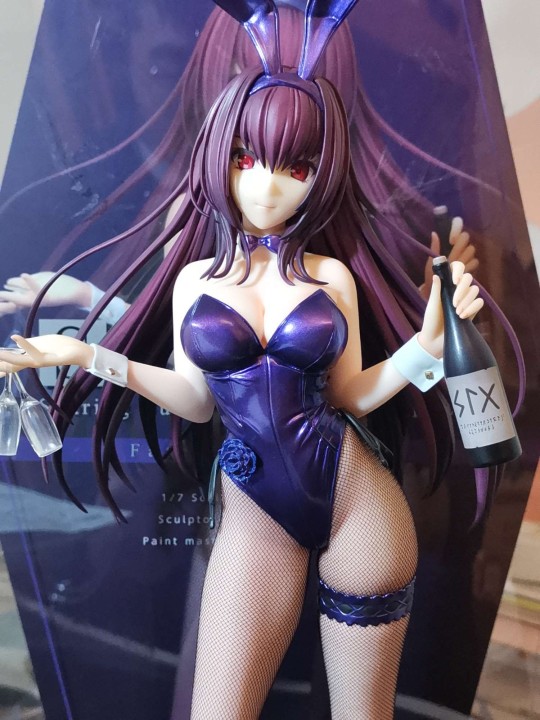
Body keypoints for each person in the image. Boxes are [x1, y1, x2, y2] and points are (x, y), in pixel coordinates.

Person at [0, 0, 485, 714]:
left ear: (323, 171)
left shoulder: (331, 277)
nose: (267, 186)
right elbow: (197, 401)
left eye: (298, 165)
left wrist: (429, 347)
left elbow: (350, 395)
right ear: (220, 151)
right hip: (256, 514)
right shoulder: (196, 280)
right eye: (246, 158)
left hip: (360, 505)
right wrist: (85, 352)